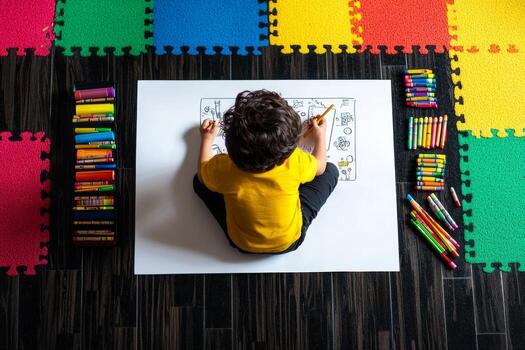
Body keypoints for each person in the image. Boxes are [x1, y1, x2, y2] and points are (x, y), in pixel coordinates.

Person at [193, 90, 338, 254]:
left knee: (199, 181)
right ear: (286, 154)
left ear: (232, 148)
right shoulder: (294, 161)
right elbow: (321, 166)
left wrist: (206, 139)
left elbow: (203, 172)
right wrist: (320, 136)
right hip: (289, 241)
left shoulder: (224, 168)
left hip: (242, 243)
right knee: (330, 171)